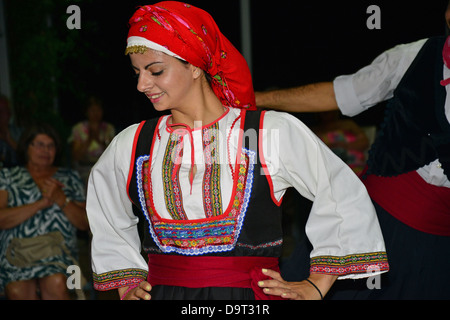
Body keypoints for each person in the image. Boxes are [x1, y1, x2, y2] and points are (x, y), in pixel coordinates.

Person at [86, 1, 388, 301]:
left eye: (155, 71)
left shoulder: (268, 132)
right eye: (137, 72)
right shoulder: (134, 141)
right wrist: (127, 280)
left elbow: (340, 191)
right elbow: (106, 207)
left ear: (193, 66)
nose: (141, 84)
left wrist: (316, 284)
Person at [255, 2, 450, 300]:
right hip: (375, 223)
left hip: (439, 249)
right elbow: (339, 94)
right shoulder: (415, 56)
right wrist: (256, 99)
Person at [0, 123, 89, 300]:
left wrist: (60, 198)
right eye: (39, 144)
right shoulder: (7, 177)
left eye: (51, 146)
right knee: (17, 291)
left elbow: (84, 223)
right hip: (16, 253)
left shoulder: (69, 177)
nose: (45, 150)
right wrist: (41, 204)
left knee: (56, 282)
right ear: (27, 147)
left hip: (60, 253)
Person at [68, 96, 115, 186]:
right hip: (83, 168)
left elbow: (112, 154)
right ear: (87, 112)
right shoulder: (79, 128)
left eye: (98, 110)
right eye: (92, 110)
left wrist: (99, 140)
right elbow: (76, 156)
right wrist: (89, 139)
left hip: (104, 168)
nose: (95, 113)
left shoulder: (108, 128)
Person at [311, 110, 369, 176]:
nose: (325, 112)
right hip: (327, 171)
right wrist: (327, 148)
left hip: (354, 168)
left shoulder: (348, 125)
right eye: (322, 110)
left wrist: (344, 146)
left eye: (328, 110)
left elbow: (365, 142)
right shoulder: (312, 131)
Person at [0, 95, 22, 169]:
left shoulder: (19, 133)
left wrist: (9, 140)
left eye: (3, 111)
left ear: (9, 114)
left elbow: (29, 157)